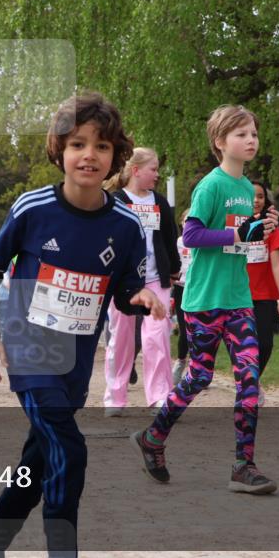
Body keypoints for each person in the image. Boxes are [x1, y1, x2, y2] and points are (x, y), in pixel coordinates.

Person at [0, 92, 165, 558]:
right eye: (78, 144)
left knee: (40, 459)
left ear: (116, 157)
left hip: (75, 361)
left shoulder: (125, 224)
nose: (89, 156)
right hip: (29, 349)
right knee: (69, 449)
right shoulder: (32, 208)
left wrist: (139, 296)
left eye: (101, 147)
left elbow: (124, 289)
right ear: (59, 150)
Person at [130, 104, 279, 495]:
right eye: (241, 134)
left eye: (253, 134)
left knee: (249, 377)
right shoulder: (211, 186)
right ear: (220, 142)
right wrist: (239, 234)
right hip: (202, 299)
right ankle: (153, 437)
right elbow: (192, 236)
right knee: (199, 376)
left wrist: (260, 231)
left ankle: (243, 466)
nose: (251, 141)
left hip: (239, 299)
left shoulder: (248, 188)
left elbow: (242, 239)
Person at [102, 147, 179, 416]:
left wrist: (174, 267)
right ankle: (115, 397)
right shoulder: (115, 201)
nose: (157, 175)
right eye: (153, 169)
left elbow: (170, 237)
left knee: (157, 336)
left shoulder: (159, 202)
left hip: (157, 278)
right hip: (124, 282)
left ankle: (160, 396)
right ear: (136, 170)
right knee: (122, 339)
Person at [246, 182, 279, 384]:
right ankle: (246, 385)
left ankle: (252, 383)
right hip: (236, 295)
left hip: (263, 295)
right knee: (241, 346)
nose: (256, 200)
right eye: (251, 196)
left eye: (260, 196)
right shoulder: (232, 225)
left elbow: (277, 265)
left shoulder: (271, 228)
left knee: (264, 345)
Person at [170, 209, 192, 385]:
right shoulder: (177, 242)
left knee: (201, 331)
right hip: (181, 289)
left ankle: (198, 368)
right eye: (186, 220)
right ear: (181, 223)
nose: (189, 223)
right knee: (185, 329)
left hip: (200, 289)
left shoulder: (204, 241)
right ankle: (180, 361)